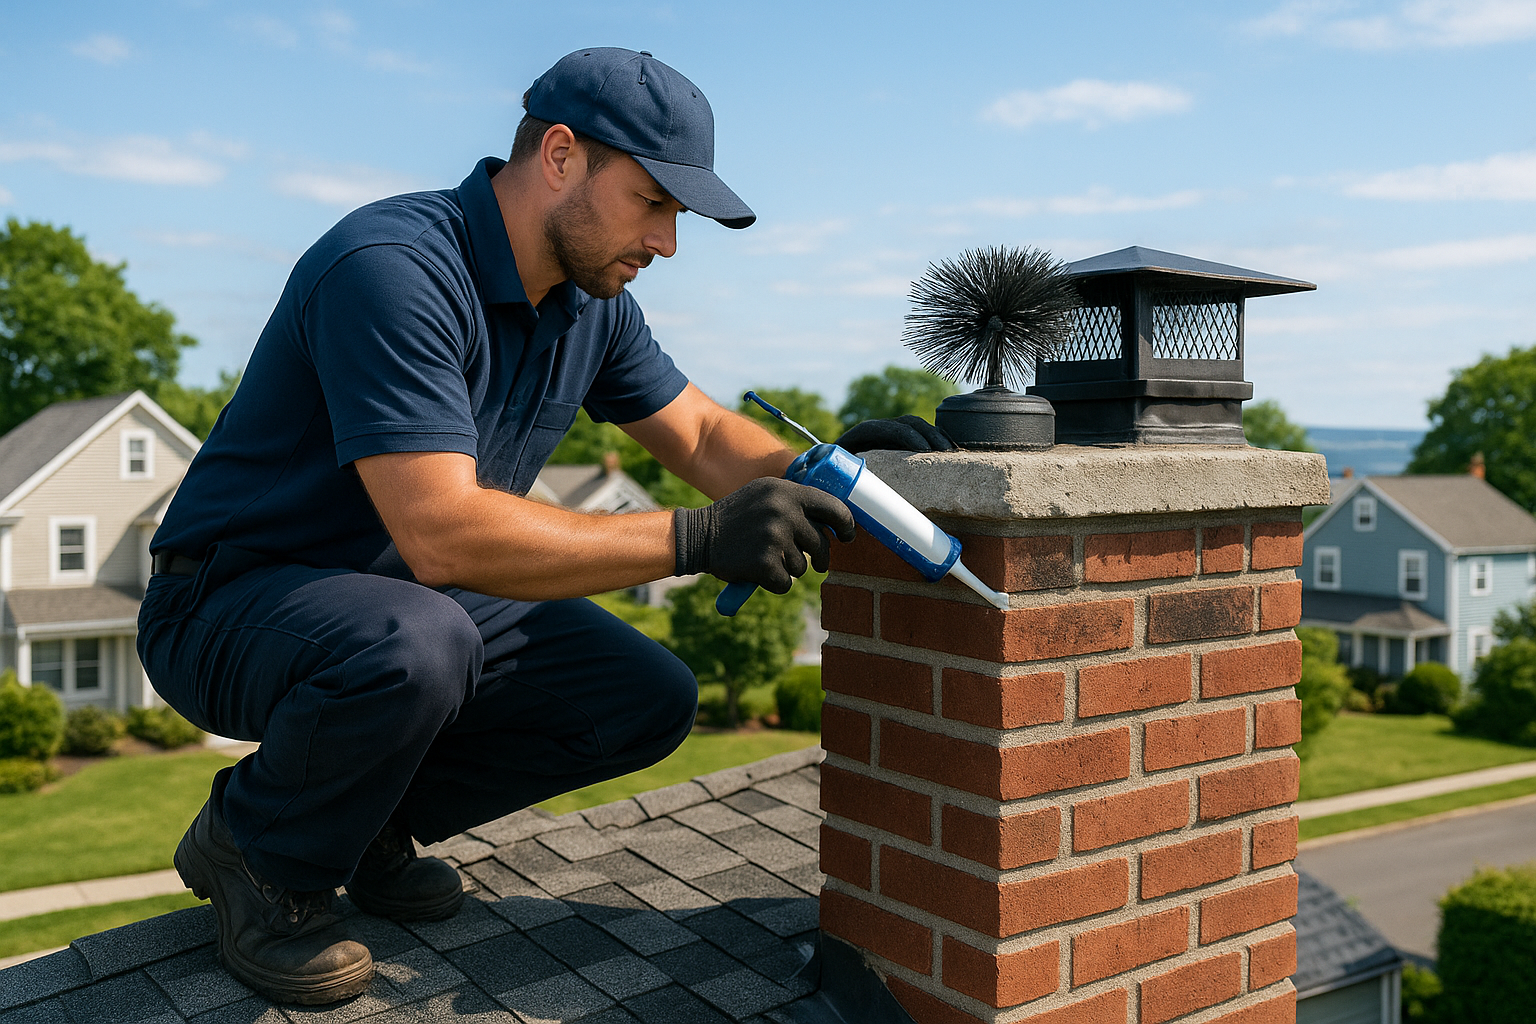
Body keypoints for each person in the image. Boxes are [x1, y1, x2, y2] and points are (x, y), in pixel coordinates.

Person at [139, 47, 952, 1006]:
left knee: (643, 694)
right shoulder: (393, 269)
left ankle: (358, 824)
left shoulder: (585, 302)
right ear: (560, 155)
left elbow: (696, 431)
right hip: (231, 604)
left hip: (401, 599)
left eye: (677, 216)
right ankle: (259, 847)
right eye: (654, 202)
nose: (667, 243)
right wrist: (698, 539)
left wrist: (827, 474)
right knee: (421, 643)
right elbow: (443, 532)